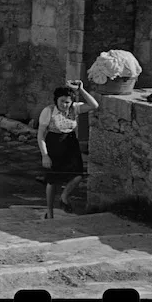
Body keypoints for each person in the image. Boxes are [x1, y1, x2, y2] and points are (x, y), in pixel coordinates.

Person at [37, 80, 99, 219]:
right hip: (54, 144)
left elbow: (94, 105)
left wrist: (81, 90)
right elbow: (40, 135)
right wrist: (45, 155)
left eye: (67, 102)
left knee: (78, 175)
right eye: (62, 101)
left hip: (71, 144)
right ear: (56, 100)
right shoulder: (48, 111)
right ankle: (50, 211)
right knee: (52, 180)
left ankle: (64, 196)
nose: (64, 105)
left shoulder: (74, 109)